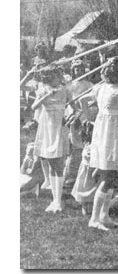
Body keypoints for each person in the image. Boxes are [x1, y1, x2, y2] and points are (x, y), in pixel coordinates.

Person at [79, 57, 118, 231]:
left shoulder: (100, 87)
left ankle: (104, 216)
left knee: (110, 174)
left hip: (102, 130)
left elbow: (82, 100)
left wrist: (91, 117)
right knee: (108, 176)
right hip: (112, 131)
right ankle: (94, 218)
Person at [32, 65, 72, 213]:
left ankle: (58, 200)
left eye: (57, 77)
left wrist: (70, 116)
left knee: (58, 164)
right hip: (47, 127)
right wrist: (46, 95)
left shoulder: (65, 90)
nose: (55, 80)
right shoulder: (44, 90)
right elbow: (34, 107)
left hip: (59, 127)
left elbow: (73, 106)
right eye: (52, 78)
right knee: (50, 161)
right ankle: (55, 199)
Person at [63, 59, 94, 186]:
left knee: (83, 143)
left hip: (83, 114)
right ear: (73, 71)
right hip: (72, 113)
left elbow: (92, 100)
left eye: (81, 69)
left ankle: (83, 174)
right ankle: (70, 173)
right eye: (76, 69)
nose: (79, 71)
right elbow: (67, 99)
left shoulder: (89, 85)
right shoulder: (69, 85)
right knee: (72, 143)